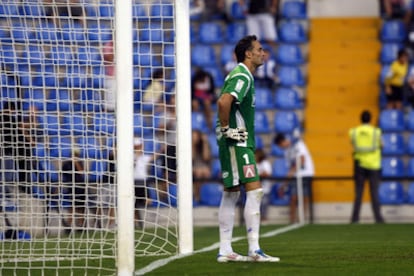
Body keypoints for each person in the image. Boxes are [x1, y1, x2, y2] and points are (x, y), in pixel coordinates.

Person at [215, 35, 279, 263]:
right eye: (260, 49)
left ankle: (226, 250)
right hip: (237, 142)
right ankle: (254, 249)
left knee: (232, 193)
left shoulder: (242, 75)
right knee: (255, 191)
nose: (264, 53)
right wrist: (226, 130)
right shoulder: (242, 75)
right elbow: (224, 101)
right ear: (248, 54)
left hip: (237, 141)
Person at [349, 110, 385, 224]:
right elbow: (382, 145)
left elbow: (352, 144)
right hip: (374, 165)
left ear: (361, 119)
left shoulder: (353, 131)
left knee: (358, 193)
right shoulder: (376, 132)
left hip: (359, 164)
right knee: (374, 192)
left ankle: (355, 218)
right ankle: (378, 218)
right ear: (370, 119)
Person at [274, 131, 315, 224]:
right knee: (293, 197)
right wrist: (287, 179)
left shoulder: (298, 144)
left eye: (280, 145)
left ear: (282, 142)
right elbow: (291, 167)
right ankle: (292, 220)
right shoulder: (287, 152)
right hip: (295, 176)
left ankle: (303, 219)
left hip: (306, 173)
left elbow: (302, 160)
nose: (281, 147)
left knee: (305, 197)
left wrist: (287, 178)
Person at [192, 129, 212, 202]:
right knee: (199, 172)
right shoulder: (188, 146)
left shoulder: (205, 145)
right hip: (191, 167)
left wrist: (205, 142)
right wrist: (193, 145)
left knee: (204, 172)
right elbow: (192, 158)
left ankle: (204, 196)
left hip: (203, 168)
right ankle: (197, 196)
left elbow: (206, 157)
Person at [254, 148, 272, 222]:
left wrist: (257, 175)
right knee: (256, 205)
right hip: (255, 188)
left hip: (265, 188)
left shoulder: (265, 163)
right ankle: (257, 220)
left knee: (264, 204)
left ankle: (264, 219)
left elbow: (267, 173)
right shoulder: (254, 164)